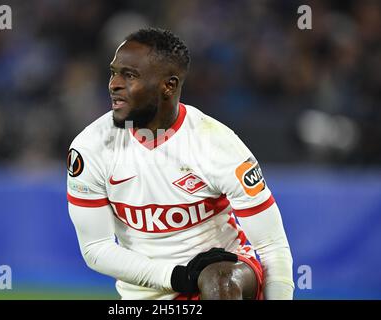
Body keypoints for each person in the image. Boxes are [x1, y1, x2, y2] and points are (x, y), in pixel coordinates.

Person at [67, 28, 294, 300]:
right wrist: (179, 276)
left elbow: (272, 246)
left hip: (223, 278)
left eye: (129, 75)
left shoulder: (218, 144)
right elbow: (96, 248)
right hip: (152, 290)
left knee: (219, 280)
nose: (113, 84)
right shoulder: (90, 148)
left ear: (169, 85)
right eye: (113, 72)